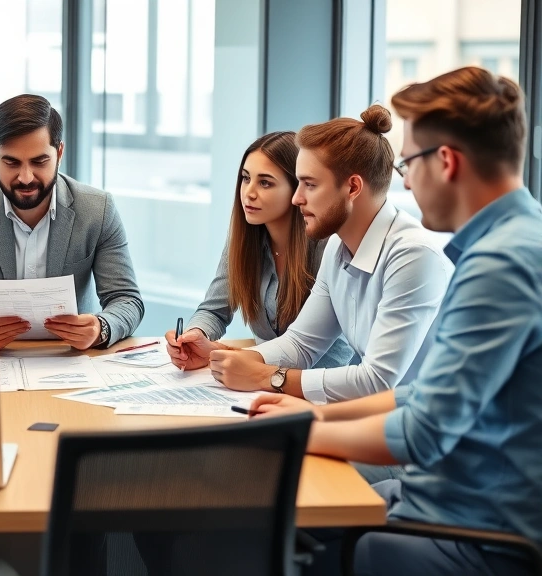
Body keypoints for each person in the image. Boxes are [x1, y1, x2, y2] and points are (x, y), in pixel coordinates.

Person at [252, 67, 542, 576]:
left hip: (478, 526)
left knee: (274, 503)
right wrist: (313, 417)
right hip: (461, 494)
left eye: (409, 162)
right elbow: (428, 394)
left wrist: (298, 431)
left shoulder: (502, 264)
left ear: (446, 161)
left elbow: (423, 432)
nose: (405, 179)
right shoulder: (513, 242)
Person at [174, 105, 452, 410]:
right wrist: (234, 360)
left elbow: (377, 381)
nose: (297, 198)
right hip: (378, 423)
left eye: (309, 184)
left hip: (420, 440)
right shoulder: (338, 247)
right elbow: (301, 343)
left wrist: (268, 377)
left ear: (353, 187)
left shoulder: (412, 255)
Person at [0, 94, 144, 351]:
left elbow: (127, 300)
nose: (25, 177)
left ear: (60, 153)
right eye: (11, 162)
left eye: (39, 161)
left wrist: (102, 327)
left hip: (73, 357)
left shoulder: (97, 210)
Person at [166, 131, 353, 370]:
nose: (249, 193)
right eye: (246, 178)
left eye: (265, 182)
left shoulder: (328, 245)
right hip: (263, 379)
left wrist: (238, 358)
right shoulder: (245, 238)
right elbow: (214, 310)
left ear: (296, 190)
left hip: (322, 385)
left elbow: (319, 350)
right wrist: (194, 335)